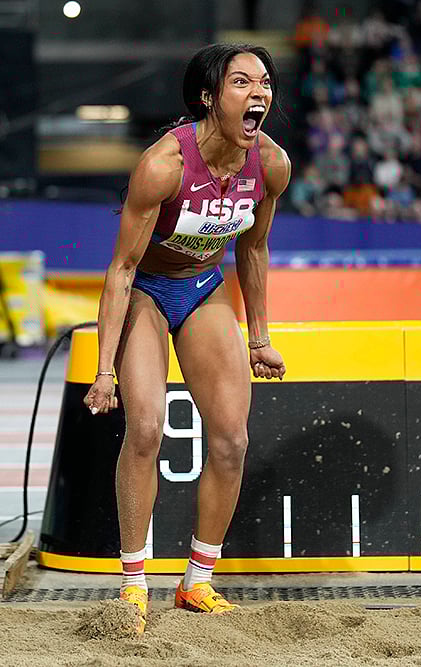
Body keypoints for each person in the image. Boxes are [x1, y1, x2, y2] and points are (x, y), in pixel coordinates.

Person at [84, 43, 290, 634]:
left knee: (230, 439)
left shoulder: (270, 165)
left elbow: (254, 248)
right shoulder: (163, 165)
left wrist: (259, 338)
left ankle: (198, 581)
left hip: (203, 286)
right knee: (146, 428)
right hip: (146, 289)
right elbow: (121, 270)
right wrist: (104, 371)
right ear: (208, 98)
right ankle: (131, 587)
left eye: (265, 82)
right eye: (242, 81)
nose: (259, 91)